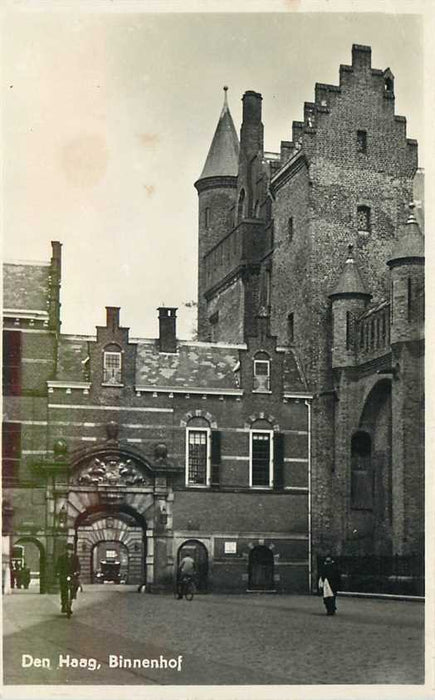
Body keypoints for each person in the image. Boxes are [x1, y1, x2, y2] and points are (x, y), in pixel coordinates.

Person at [55, 543, 81, 613]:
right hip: (64, 575)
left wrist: (77, 572)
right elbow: (58, 566)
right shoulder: (61, 557)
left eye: (70, 550)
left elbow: (78, 566)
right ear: (66, 550)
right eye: (68, 550)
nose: (69, 551)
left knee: (76, 584)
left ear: (72, 551)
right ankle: (63, 605)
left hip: (72, 575)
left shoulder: (75, 557)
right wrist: (58, 572)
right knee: (63, 590)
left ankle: (73, 596)